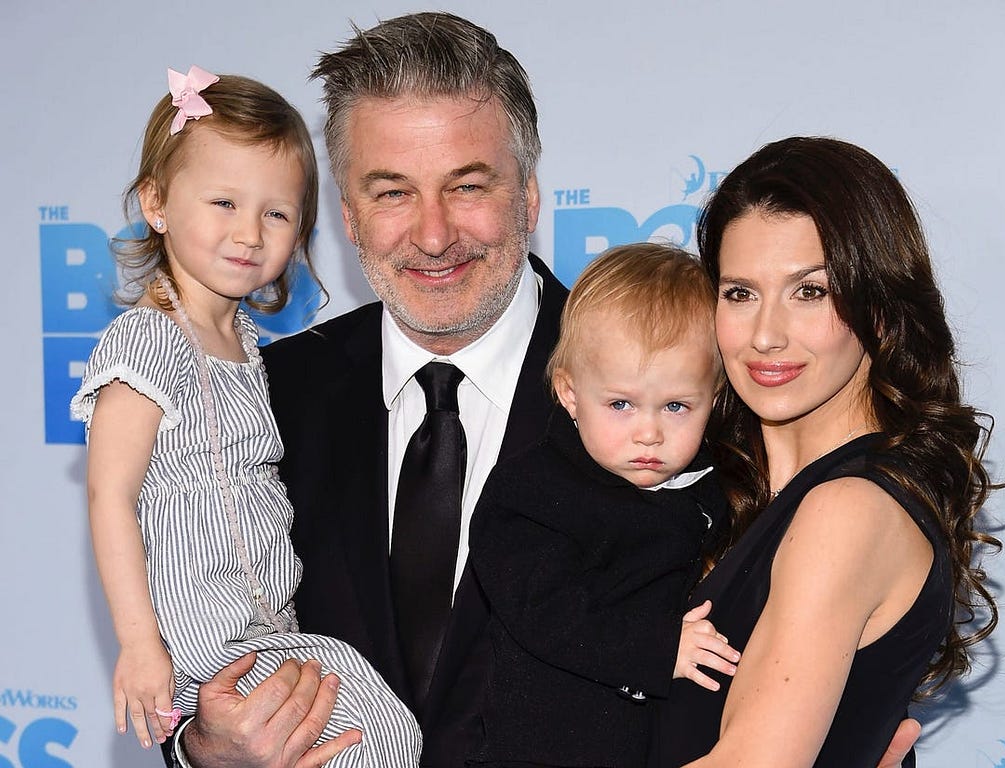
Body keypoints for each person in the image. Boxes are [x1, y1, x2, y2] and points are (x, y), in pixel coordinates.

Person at [165, 14, 923, 768]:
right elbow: (204, 626)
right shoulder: (264, 392)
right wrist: (205, 746)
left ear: (529, 198)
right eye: (393, 193)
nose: (433, 235)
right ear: (350, 218)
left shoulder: (696, 387)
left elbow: (811, 667)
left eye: (468, 186)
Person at [71, 66, 420, 766]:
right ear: (157, 203)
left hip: (268, 626)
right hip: (207, 638)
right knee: (370, 743)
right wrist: (140, 647)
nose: (249, 233)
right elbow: (110, 495)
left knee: (388, 735)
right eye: (224, 202)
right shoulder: (147, 338)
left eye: (277, 212)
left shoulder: (253, 349)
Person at [647, 136, 1000, 767]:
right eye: (739, 292)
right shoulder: (716, 500)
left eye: (810, 291)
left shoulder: (848, 510)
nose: (765, 334)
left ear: (880, 305)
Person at [469, 244, 740, 767]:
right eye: (620, 404)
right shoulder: (530, 493)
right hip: (544, 750)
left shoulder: (716, 486)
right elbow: (545, 613)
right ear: (570, 393)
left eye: (677, 406)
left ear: (715, 396)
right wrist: (659, 649)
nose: (649, 433)